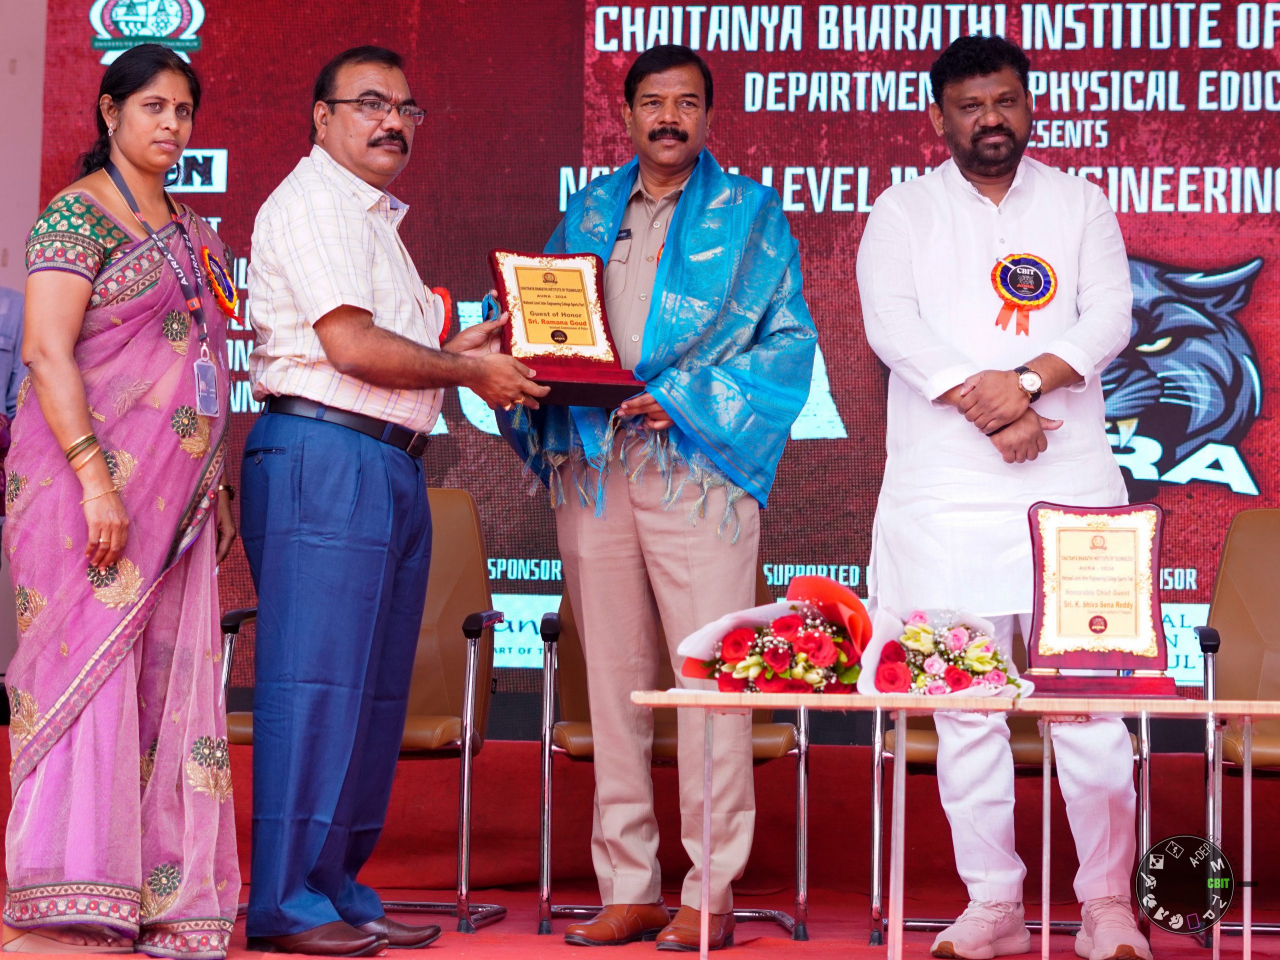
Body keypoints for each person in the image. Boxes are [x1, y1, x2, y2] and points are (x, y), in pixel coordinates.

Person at [500, 44, 816, 952]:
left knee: (709, 682)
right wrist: (520, 345)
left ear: (708, 117)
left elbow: (787, 345)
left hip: (697, 470)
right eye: (651, 102)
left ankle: (710, 891)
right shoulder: (589, 211)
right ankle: (629, 886)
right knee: (614, 683)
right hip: (596, 467)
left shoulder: (751, 214)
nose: (668, 117)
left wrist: (681, 396)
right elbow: (548, 317)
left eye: (685, 103)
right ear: (628, 115)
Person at [241, 45, 546, 957]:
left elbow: (392, 345)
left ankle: (335, 887)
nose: (392, 122)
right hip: (327, 452)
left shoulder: (372, 219)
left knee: (371, 695)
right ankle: (286, 904)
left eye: (406, 109)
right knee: (317, 687)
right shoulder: (316, 203)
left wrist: (465, 348)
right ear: (322, 117)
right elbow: (352, 347)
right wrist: (470, 372)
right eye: (370, 103)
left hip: (385, 461)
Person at [857, 35, 1151, 960]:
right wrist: (991, 408)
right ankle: (994, 906)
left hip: (1072, 485)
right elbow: (892, 326)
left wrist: (1023, 385)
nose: (992, 119)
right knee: (966, 707)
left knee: (1089, 707)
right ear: (938, 117)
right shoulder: (902, 210)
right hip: (945, 493)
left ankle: (1108, 904)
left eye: (1006, 101)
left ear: (1029, 106)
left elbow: (1110, 316)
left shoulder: (1079, 203)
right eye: (972, 105)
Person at [2, 44, 239, 956]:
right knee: (86, 674)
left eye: (183, 110)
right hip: (83, 491)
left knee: (165, 682)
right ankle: (65, 900)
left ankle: (158, 897)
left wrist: (213, 483)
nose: (172, 126)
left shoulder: (194, 230)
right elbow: (46, 351)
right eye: (153, 107)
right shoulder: (75, 217)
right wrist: (98, 480)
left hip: (178, 502)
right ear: (110, 113)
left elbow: (200, 366)